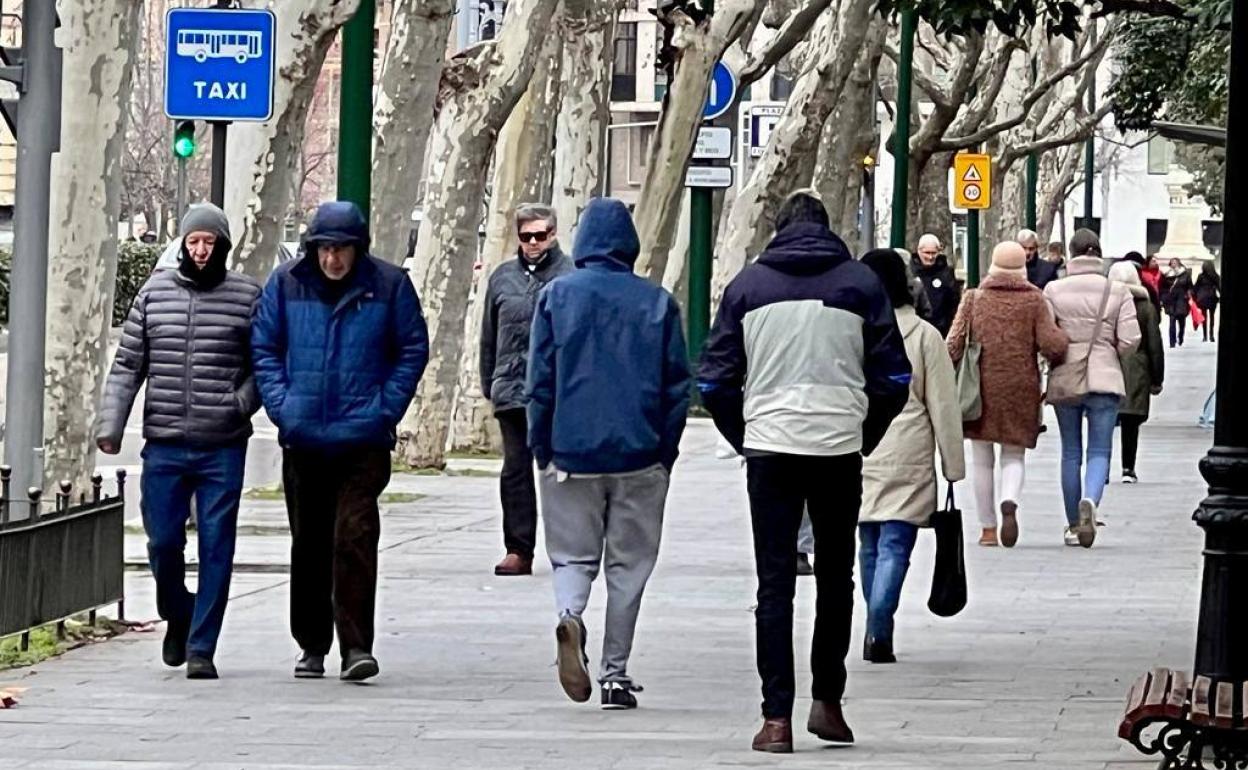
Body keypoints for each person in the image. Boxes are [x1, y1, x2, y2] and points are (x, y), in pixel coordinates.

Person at [699, 190, 911, 753]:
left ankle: (775, 720)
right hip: (838, 446)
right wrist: (865, 433)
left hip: (770, 446)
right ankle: (828, 702)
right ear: (828, 227)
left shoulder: (747, 287)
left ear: (777, 227)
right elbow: (893, 378)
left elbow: (715, 380)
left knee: (774, 584)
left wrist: (743, 436)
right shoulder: (860, 285)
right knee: (836, 577)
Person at [252, 201, 429, 682]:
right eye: (326, 249)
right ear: (313, 249)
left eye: (343, 250)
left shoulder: (389, 286)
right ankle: (312, 643)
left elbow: (412, 349)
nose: (334, 260)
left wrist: (384, 409)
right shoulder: (286, 284)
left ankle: (356, 647)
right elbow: (265, 348)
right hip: (304, 436)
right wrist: (285, 408)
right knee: (308, 543)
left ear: (358, 250)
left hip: (362, 439)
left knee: (353, 538)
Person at [526, 197, 690, 711]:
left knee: (572, 556)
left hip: (570, 452)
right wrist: (666, 450)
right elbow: (676, 388)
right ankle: (615, 675)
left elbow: (540, 381)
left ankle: (570, 615)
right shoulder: (658, 302)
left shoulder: (556, 296)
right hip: (640, 453)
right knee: (629, 567)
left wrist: (541, 446)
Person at [96, 203, 262, 680]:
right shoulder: (153, 295)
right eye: (194, 241)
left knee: (216, 546)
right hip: (165, 444)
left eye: (210, 242)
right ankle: (178, 610)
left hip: (223, 444)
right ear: (182, 244)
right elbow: (128, 364)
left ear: (223, 245)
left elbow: (265, 365)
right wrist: (111, 427)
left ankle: (201, 647)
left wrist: (239, 404)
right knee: (162, 542)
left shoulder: (247, 296)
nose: (202, 250)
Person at [856, 249, 965, 664]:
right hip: (908, 451)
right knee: (895, 545)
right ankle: (879, 628)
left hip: (859, 448)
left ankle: (875, 623)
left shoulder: (852, 331)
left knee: (867, 542)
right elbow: (943, 405)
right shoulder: (923, 336)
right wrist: (953, 465)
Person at [948, 242, 1068, 548]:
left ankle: (988, 529)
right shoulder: (1035, 301)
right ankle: (1010, 500)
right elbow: (1053, 346)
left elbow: (954, 344)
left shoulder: (973, 299)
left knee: (981, 460)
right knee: (1013, 454)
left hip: (979, 389)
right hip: (1020, 387)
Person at [479, 204, 575, 577]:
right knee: (515, 471)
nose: (533, 243)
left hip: (555, 393)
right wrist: (491, 381)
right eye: (526, 236)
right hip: (512, 389)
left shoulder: (570, 276)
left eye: (540, 235)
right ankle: (518, 548)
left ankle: (568, 548)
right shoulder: (502, 278)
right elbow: (488, 335)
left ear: (553, 234)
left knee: (556, 471)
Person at [1044, 229, 1140, 547]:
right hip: (1105, 375)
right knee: (1099, 450)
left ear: (1071, 254)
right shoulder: (1118, 290)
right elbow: (1131, 339)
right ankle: (1091, 500)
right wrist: (1109, 349)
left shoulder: (1053, 290)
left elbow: (1047, 336)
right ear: (1099, 254)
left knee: (1070, 451)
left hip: (1066, 375)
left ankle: (1074, 523)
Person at [1108, 262, 1164, 484]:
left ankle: (1100, 468)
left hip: (1109, 365)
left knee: (1104, 420)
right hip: (1137, 369)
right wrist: (1157, 377)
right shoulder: (1146, 307)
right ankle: (1127, 468)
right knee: (1131, 423)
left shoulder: (1106, 304)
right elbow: (1154, 344)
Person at [911, 233, 961, 336]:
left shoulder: (946, 274)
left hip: (941, 331)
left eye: (933, 253)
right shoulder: (910, 273)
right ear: (919, 251)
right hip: (915, 331)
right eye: (927, 253)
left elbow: (954, 303)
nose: (930, 257)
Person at [1159, 257, 1193, 348]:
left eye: (1175, 262)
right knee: (1172, 321)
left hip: (1182, 300)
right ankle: (1172, 342)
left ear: (1179, 264)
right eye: (1172, 263)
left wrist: (1189, 294)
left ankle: (1180, 337)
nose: (1173, 264)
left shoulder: (1185, 274)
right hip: (1171, 301)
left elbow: (1190, 286)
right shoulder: (1167, 275)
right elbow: (1162, 288)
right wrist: (1163, 298)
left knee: (1182, 322)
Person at [1194, 260, 1221, 342]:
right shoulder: (1215, 276)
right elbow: (1219, 287)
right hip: (1212, 298)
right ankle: (1211, 335)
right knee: (1212, 317)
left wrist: (1195, 297)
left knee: (1204, 318)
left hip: (1203, 298)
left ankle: (1205, 336)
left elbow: (1196, 287)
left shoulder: (1201, 276)